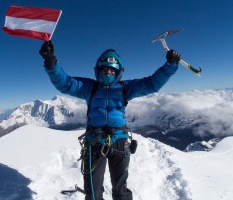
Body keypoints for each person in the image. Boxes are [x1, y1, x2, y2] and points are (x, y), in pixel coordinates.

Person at [39, 41, 181, 200]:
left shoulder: (124, 88)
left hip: (119, 142)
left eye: (112, 70)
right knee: (93, 193)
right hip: (95, 142)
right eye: (105, 69)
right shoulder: (89, 87)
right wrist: (51, 62)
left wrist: (170, 65)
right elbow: (65, 83)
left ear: (118, 72)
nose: (108, 73)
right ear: (98, 70)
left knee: (121, 191)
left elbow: (151, 84)